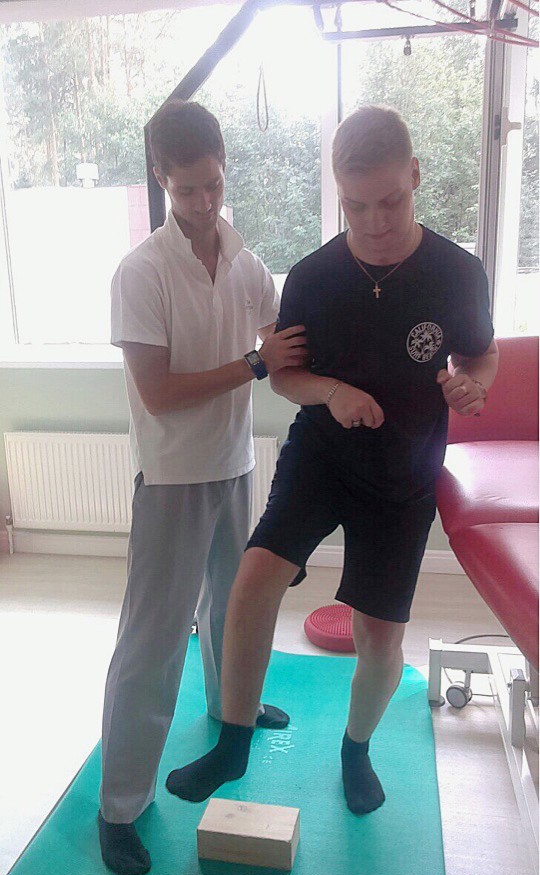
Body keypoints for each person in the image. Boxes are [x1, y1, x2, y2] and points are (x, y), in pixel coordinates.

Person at [165, 104, 499, 817]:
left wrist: (473, 385)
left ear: (415, 175)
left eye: (390, 201)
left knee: (379, 638)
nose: (374, 222)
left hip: (404, 471)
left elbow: (481, 355)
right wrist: (332, 392)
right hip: (321, 454)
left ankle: (356, 748)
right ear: (338, 193)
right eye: (355, 206)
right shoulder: (315, 277)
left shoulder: (457, 272)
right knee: (253, 579)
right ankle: (233, 741)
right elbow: (285, 376)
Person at [98, 99, 308, 875]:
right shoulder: (141, 273)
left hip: (234, 461)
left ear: (224, 168)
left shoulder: (244, 259)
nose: (202, 201)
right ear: (161, 178)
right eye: (186, 189)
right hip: (173, 476)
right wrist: (255, 365)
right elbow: (159, 393)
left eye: (213, 184)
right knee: (152, 643)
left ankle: (231, 707)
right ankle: (120, 806)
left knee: (232, 606)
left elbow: (282, 342)